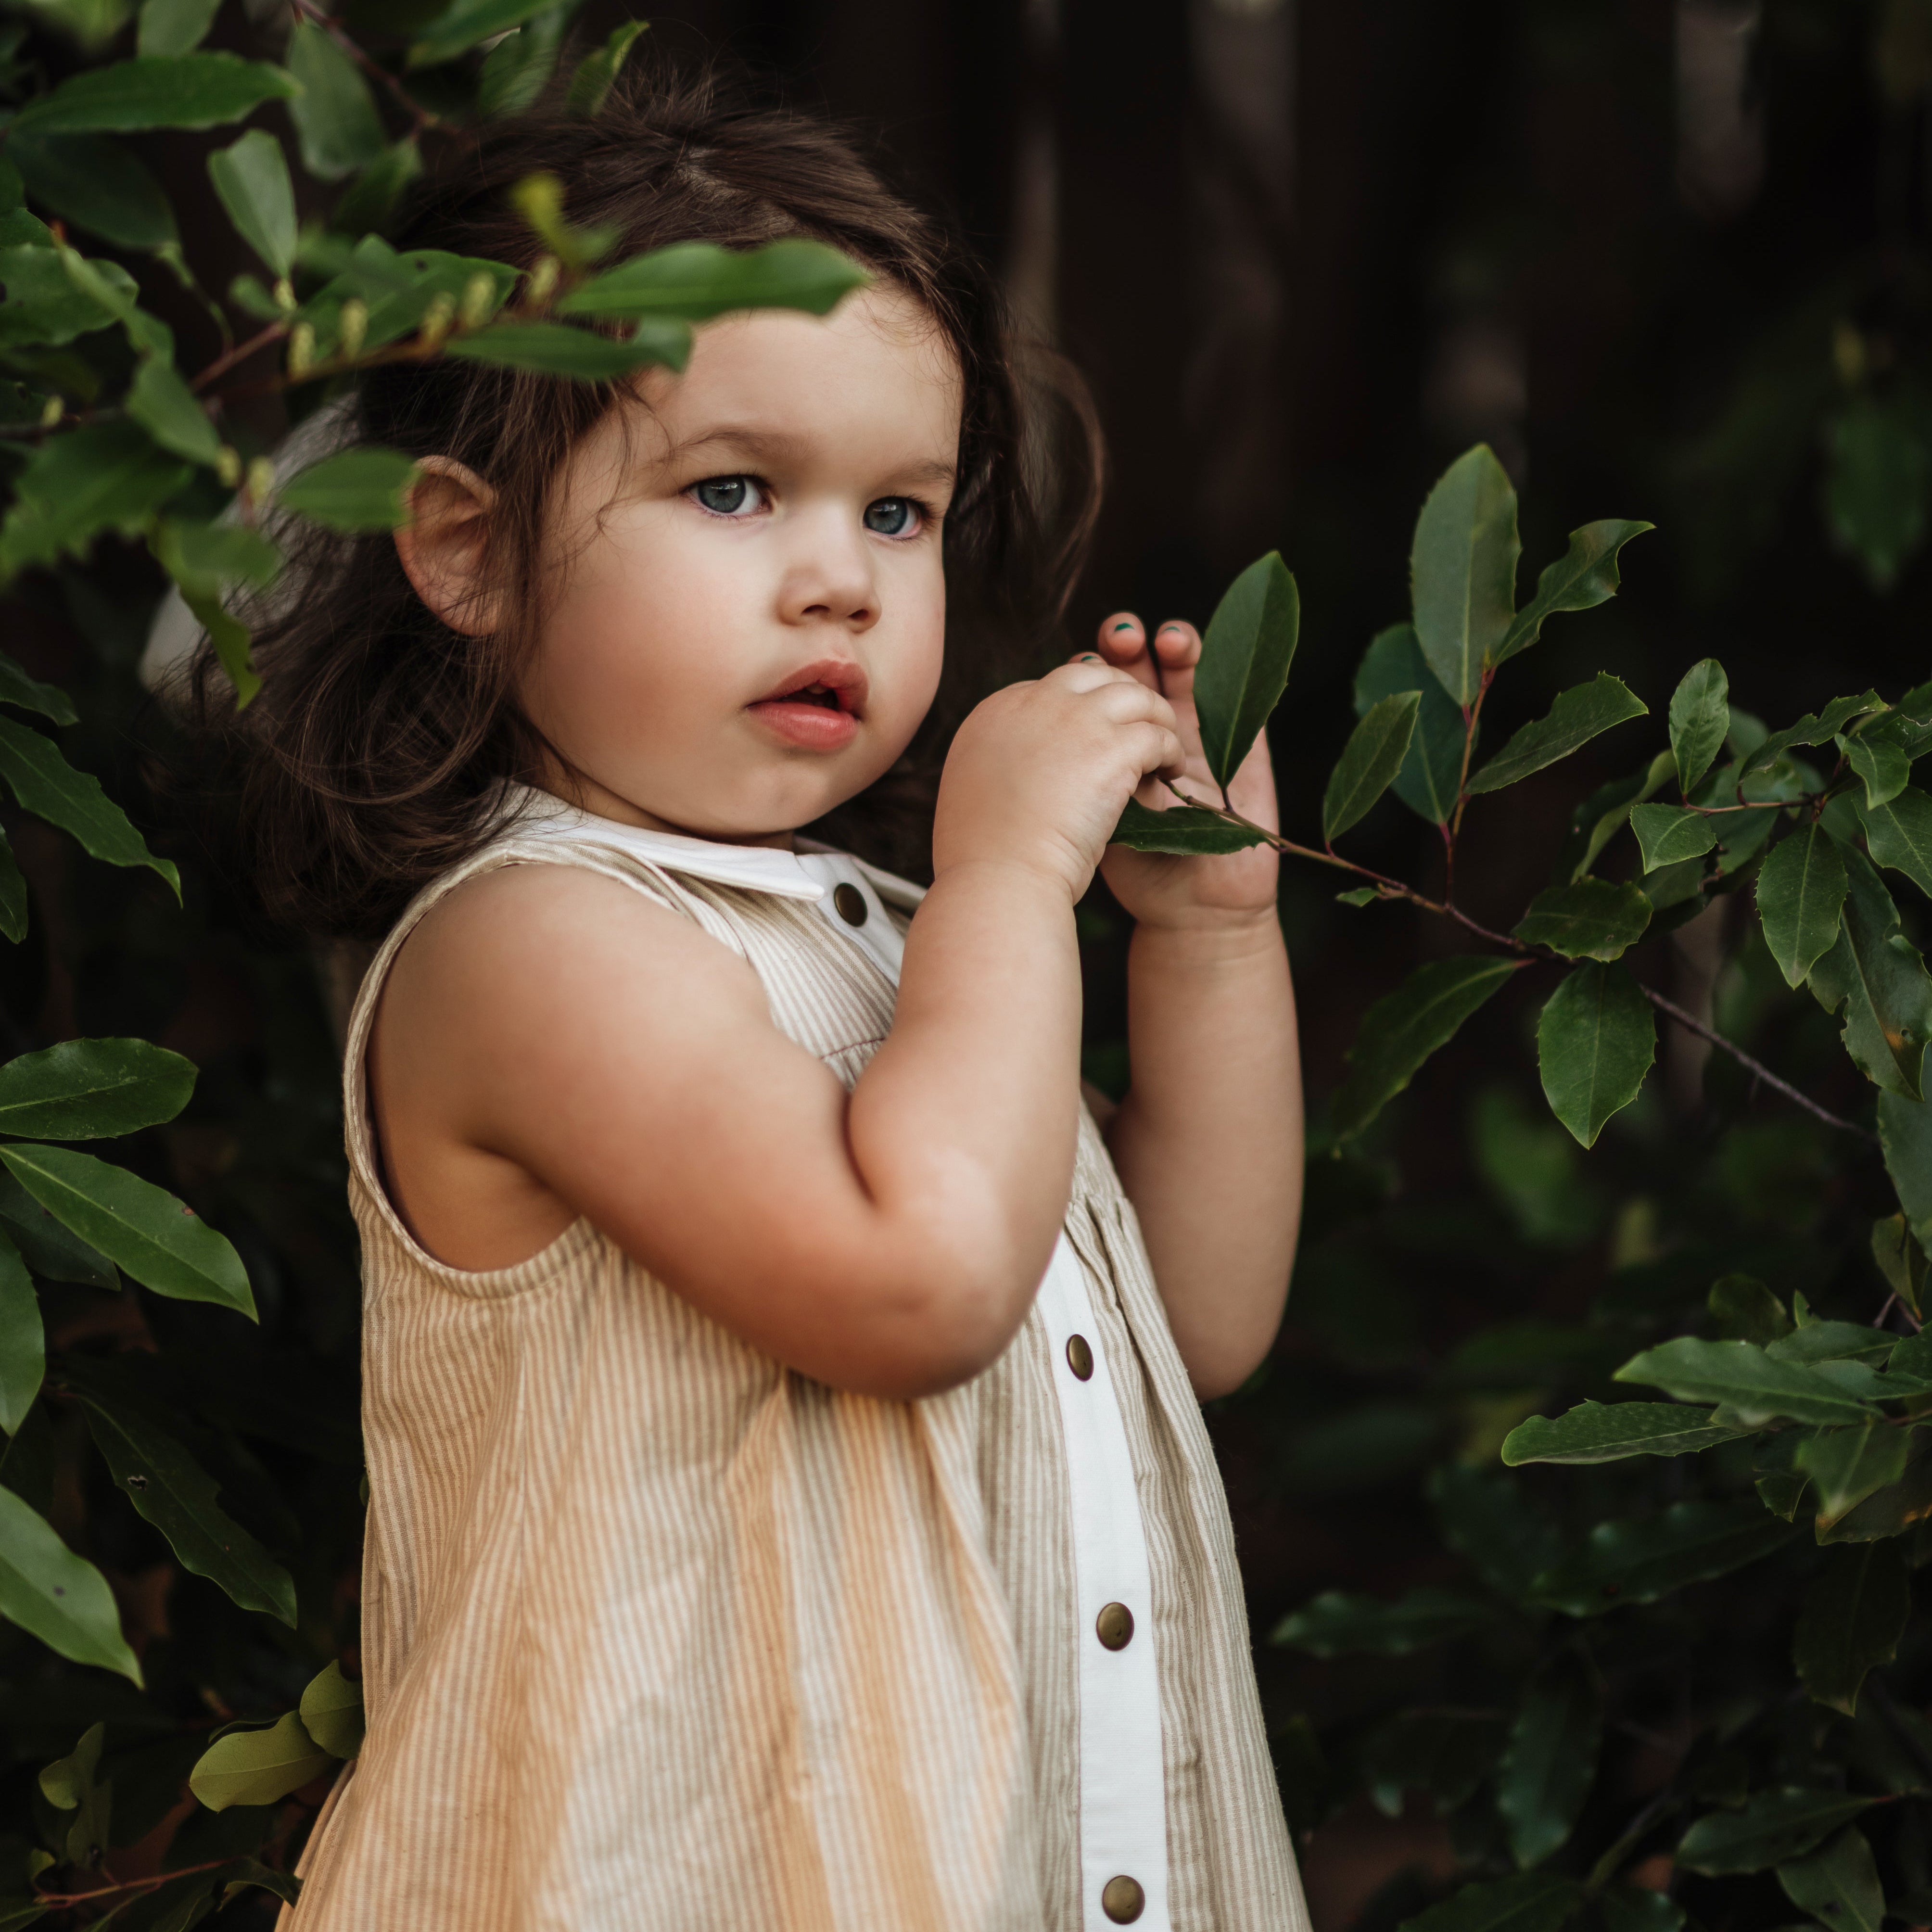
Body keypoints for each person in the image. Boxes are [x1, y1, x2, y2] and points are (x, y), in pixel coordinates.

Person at [194, 65, 1309, 1932]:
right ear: (464, 546)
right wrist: (1015, 883)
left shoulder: (897, 940)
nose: (841, 585)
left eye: (897, 514)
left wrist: (1203, 938)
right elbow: (922, 1276)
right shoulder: (532, 941)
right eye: (733, 489)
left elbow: (1189, 1318)